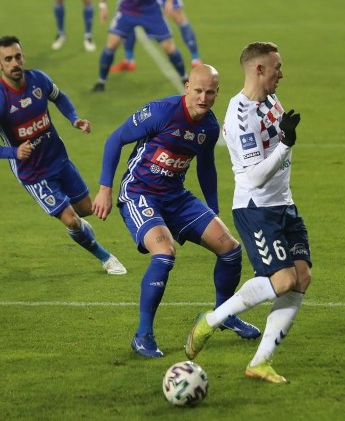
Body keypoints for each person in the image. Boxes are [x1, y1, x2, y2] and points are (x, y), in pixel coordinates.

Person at [91, 64, 261, 358]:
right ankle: (142, 335)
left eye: (210, 92)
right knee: (165, 253)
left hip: (176, 196)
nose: (203, 98)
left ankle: (224, 314)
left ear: (217, 93)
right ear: (186, 87)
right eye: (198, 91)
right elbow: (115, 139)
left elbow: (206, 168)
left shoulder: (208, 127)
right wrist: (105, 188)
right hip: (139, 193)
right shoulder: (161, 112)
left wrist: (214, 209)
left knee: (231, 250)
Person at [186, 42, 310, 385]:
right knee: (282, 280)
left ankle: (260, 363)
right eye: (277, 67)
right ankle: (211, 321)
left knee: (301, 278)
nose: (281, 73)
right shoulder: (240, 116)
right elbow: (254, 178)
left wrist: (285, 144)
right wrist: (285, 143)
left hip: (284, 205)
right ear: (259, 69)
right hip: (256, 209)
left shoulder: (271, 101)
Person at [0, 35, 127, 276]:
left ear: (23, 57)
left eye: (17, 57)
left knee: (86, 209)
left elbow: (59, 97)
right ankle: (106, 257)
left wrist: (74, 118)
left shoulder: (38, 80)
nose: (14, 63)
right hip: (33, 173)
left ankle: (79, 225)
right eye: (8, 59)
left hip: (58, 158)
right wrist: (14, 151)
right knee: (72, 221)